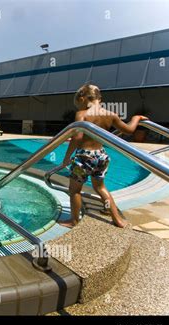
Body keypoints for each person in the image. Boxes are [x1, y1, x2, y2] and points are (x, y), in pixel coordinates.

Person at [59, 84, 149, 228]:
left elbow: (77, 137)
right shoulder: (111, 115)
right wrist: (136, 118)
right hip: (101, 156)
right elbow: (129, 130)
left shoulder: (82, 114)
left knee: (75, 190)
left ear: (82, 99)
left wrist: (66, 158)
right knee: (100, 188)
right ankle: (117, 219)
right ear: (99, 99)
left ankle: (74, 221)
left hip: (84, 158)